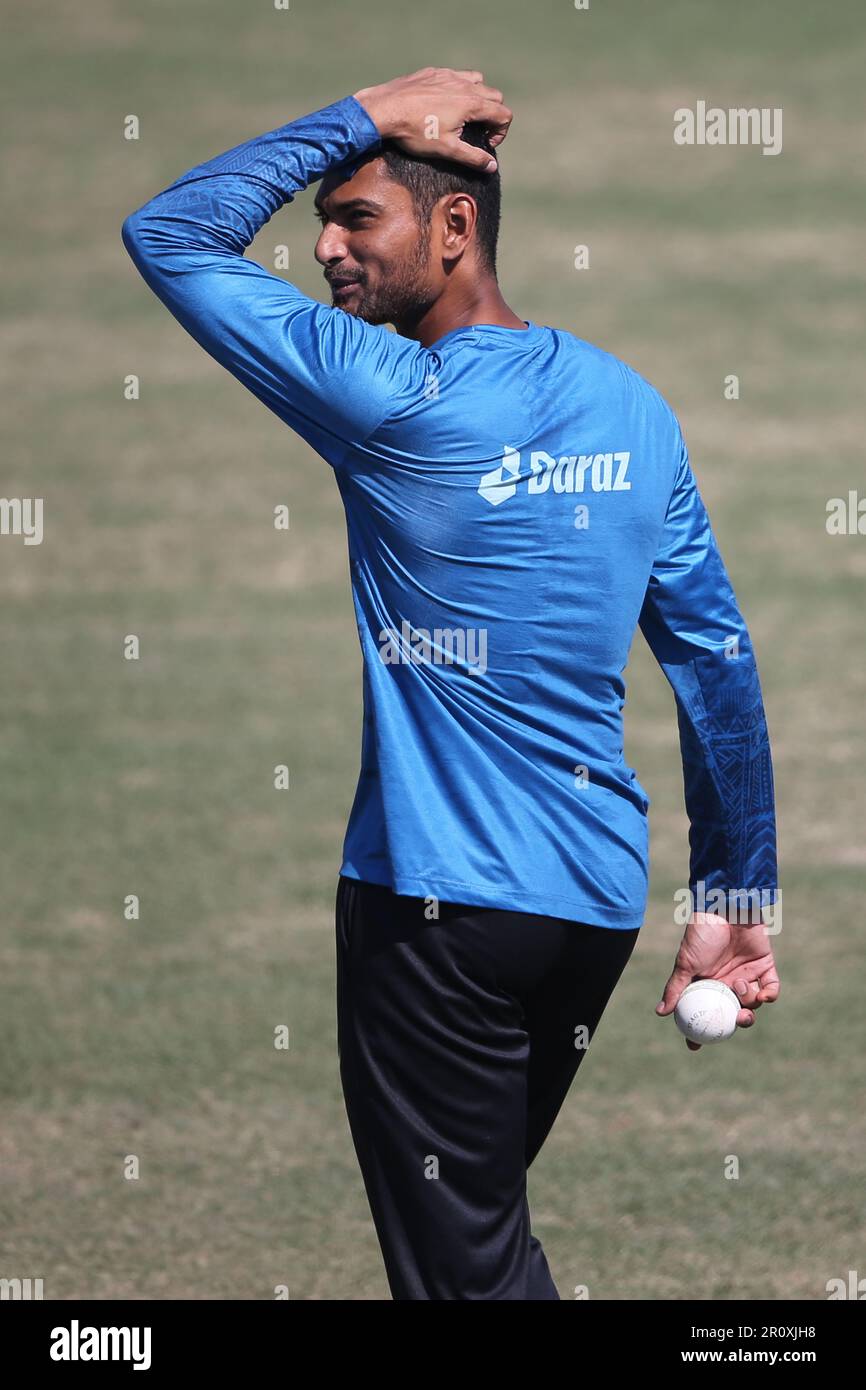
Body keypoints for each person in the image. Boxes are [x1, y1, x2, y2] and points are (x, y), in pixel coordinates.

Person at [122, 66, 781, 1300]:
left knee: (463, 1277)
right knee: (469, 1241)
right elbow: (713, 658)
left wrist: (360, 111)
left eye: (354, 215)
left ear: (453, 226)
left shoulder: (388, 398)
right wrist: (736, 890)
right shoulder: (629, 408)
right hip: (583, 912)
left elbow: (169, 231)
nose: (319, 246)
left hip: (435, 917)